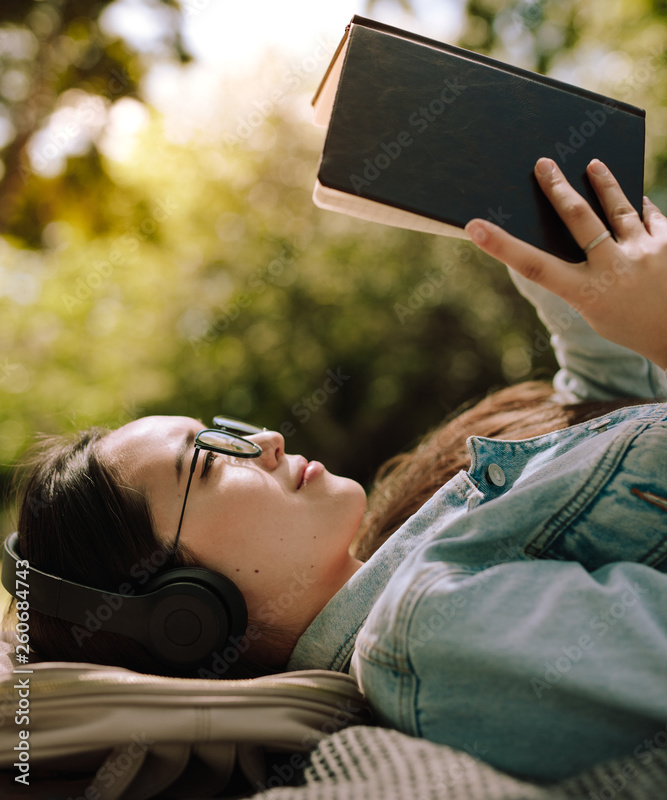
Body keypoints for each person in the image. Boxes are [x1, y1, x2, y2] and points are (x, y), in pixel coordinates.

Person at [7, 158, 667, 782]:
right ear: (188, 612)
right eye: (206, 465)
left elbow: (602, 426)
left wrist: (552, 259)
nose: (264, 439)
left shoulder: (426, 548)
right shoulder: (426, 634)